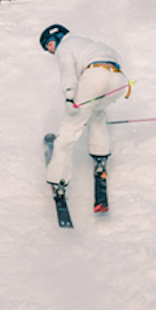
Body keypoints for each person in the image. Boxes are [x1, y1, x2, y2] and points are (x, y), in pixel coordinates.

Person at [39, 22, 127, 222]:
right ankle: (100, 158)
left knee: (69, 127)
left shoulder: (65, 46)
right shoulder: (89, 43)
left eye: (49, 44)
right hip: (118, 80)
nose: (50, 50)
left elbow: (69, 69)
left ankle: (58, 180)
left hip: (96, 76)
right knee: (96, 115)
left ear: (58, 37)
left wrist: (69, 96)